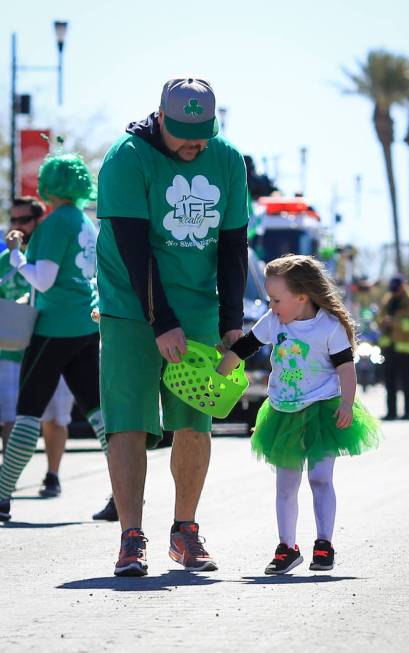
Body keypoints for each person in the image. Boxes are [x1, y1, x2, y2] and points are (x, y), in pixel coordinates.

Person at [96, 77, 248, 576]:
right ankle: (131, 537)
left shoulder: (226, 159)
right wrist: (161, 321)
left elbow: (232, 244)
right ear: (161, 117)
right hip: (130, 307)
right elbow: (132, 247)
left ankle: (185, 531)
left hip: (198, 306)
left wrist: (229, 322)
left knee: (194, 423)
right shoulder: (127, 157)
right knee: (130, 421)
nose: (194, 144)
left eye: (202, 132)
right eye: (184, 133)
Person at [217, 254, 380, 574]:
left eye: (276, 299)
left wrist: (347, 403)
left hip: (323, 408)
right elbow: (243, 349)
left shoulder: (329, 327)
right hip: (284, 410)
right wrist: (218, 373)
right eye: (269, 299)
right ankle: (286, 547)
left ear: (302, 297)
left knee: (320, 478)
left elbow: (346, 370)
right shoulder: (274, 321)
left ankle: (324, 543)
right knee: (286, 484)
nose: (271, 306)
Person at [0, 154, 109, 522]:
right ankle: (123, 492)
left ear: (48, 184)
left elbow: (43, 280)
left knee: (28, 411)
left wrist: (16, 258)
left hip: (53, 326)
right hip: (86, 323)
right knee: (98, 413)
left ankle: (1, 496)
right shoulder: (84, 222)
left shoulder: (52, 224)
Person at [0, 197, 74, 498]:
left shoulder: (51, 251)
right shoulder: (6, 260)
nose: (18, 227)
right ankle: (9, 478)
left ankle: (52, 475)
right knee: (11, 417)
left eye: (24, 221)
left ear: (38, 221)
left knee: (55, 418)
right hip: (12, 352)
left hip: (52, 344)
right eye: (13, 221)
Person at [376, 274, 409, 420]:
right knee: (389, 381)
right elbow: (378, 318)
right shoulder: (387, 300)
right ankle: (391, 412)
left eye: (397, 289)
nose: (394, 292)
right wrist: (382, 322)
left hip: (407, 349)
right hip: (389, 346)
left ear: (403, 287)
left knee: (407, 382)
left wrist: (395, 323)